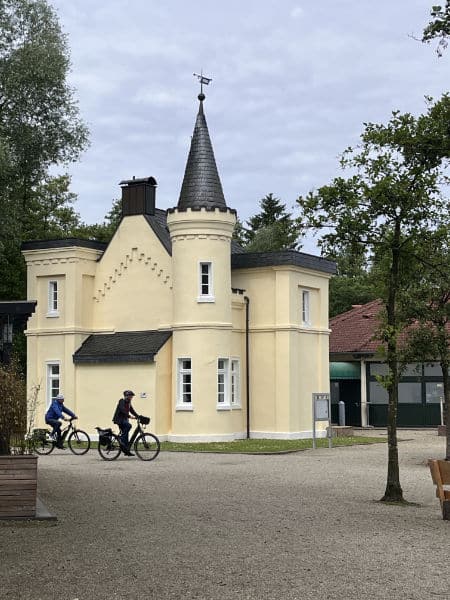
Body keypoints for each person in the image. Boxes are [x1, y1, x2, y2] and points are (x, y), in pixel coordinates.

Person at [113, 390, 139, 456]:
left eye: (132, 397)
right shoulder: (121, 401)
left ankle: (127, 451)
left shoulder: (129, 403)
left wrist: (138, 416)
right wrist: (129, 416)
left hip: (124, 420)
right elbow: (122, 410)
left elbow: (132, 410)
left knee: (126, 434)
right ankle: (120, 439)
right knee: (128, 426)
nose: (131, 398)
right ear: (126, 396)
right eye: (130, 396)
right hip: (119, 420)